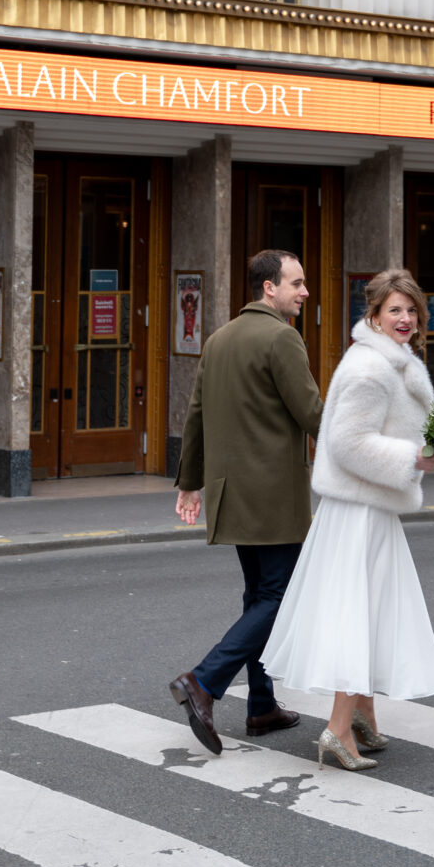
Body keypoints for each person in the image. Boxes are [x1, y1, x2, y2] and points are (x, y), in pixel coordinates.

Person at [263, 268, 434, 771]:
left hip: (370, 506)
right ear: (373, 314)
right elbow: (346, 443)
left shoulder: (393, 361)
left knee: (374, 607)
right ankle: (338, 729)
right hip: (359, 511)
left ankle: (363, 714)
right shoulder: (371, 369)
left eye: (411, 310)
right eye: (395, 310)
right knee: (358, 613)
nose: (405, 318)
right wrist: (412, 456)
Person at [170, 249, 324, 755]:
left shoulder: (218, 339)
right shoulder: (282, 337)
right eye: (296, 283)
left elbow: (196, 416)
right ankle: (205, 680)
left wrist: (190, 483)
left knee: (259, 595)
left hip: (232, 495)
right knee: (278, 597)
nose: (304, 292)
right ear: (268, 288)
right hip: (274, 498)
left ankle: (261, 705)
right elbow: (312, 414)